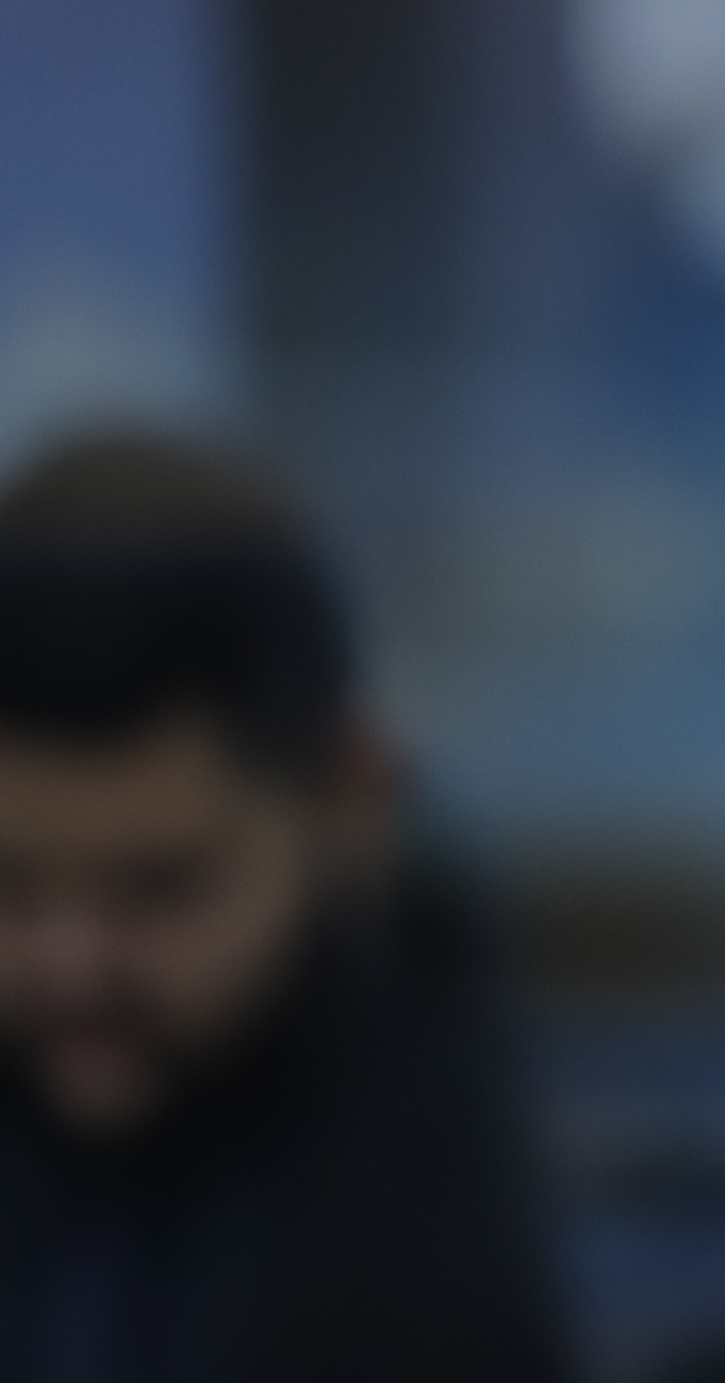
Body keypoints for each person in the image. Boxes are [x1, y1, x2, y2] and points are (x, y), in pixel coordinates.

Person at [0, 431, 568, 1383]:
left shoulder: (463, 1250)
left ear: (352, 803)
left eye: (159, 886)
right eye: (8, 886)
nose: (70, 963)